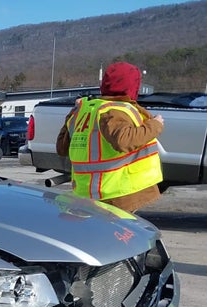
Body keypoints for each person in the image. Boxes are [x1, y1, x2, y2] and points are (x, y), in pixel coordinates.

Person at [56, 61, 164, 212]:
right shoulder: (116, 111)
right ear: (133, 87)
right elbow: (124, 140)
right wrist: (155, 124)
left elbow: (61, 148)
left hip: (86, 195)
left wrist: (72, 113)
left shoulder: (82, 111)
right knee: (127, 235)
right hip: (117, 194)